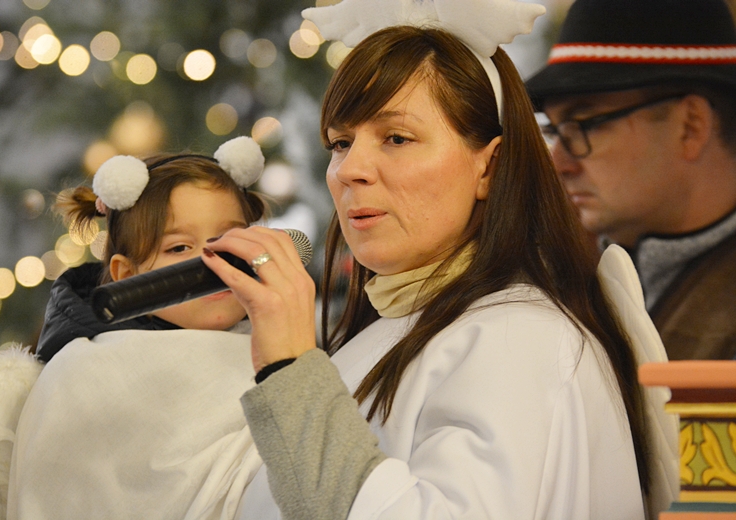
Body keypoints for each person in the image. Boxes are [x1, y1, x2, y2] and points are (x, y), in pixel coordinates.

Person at [198, 1, 677, 519]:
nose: (348, 169)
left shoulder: (519, 338)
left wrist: (292, 370)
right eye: (340, 142)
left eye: (397, 138)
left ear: (489, 167)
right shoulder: (406, 327)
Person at [0, 137, 267, 519]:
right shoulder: (90, 372)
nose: (213, 261)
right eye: (179, 249)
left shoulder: (277, 342)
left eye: (227, 239)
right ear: (125, 274)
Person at [524, 0, 736, 360]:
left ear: (691, 126)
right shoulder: (580, 281)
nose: (559, 163)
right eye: (554, 131)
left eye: (586, 124)